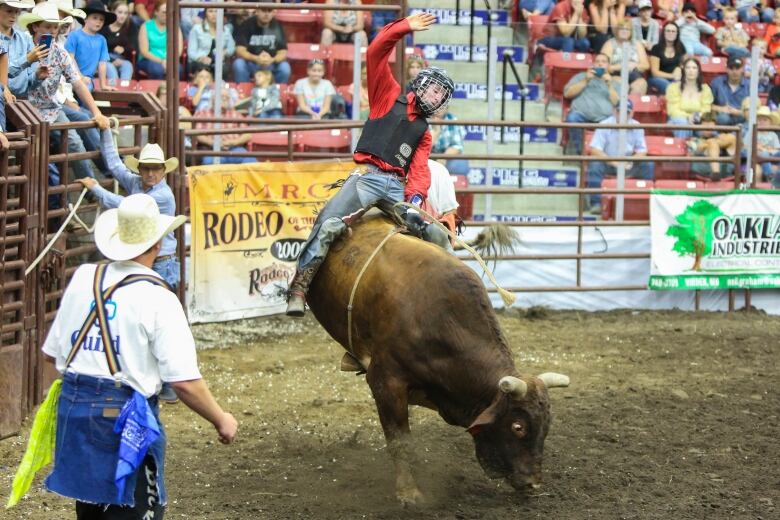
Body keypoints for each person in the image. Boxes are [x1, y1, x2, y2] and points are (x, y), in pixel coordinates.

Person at [41, 193, 238, 518]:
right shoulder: (158, 296)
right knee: (136, 508)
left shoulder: (84, 278)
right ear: (157, 245)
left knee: (91, 510)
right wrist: (221, 419)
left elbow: (52, 355)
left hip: (74, 412)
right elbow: (184, 382)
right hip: (124, 418)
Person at [286, 12, 454, 317]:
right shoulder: (387, 94)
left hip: (397, 190)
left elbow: (418, 171)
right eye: (434, 89)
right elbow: (376, 51)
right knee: (329, 222)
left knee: (436, 234)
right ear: (421, 84)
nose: (436, 97)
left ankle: (453, 286)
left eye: (441, 95)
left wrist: (415, 198)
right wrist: (404, 27)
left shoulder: (424, 134)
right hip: (368, 177)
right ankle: (299, 286)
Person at [76, 135, 183, 290]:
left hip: (161, 261)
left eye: (156, 168)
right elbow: (115, 165)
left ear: (164, 170)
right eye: (146, 168)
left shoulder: (163, 196)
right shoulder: (137, 182)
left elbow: (128, 205)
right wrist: (105, 131)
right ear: (139, 169)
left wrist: (95, 188)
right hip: (151, 258)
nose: (151, 174)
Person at [20, 2, 110, 181]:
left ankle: (91, 188)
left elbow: (77, 83)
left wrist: (97, 112)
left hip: (51, 107)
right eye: (48, 26)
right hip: (26, 109)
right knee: (45, 150)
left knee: (75, 141)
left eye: (55, 26)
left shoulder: (60, 52)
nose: (53, 30)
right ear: (35, 26)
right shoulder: (23, 47)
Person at [586, 100, 653, 214]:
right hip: (608, 163)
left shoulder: (637, 126)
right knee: (595, 164)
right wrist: (615, 162)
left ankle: (646, 202)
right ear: (614, 111)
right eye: (619, 111)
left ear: (631, 113)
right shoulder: (604, 124)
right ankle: (596, 203)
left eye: (626, 112)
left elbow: (642, 151)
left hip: (628, 164)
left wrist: (631, 160)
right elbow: (595, 150)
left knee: (648, 164)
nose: (622, 115)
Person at [563, 52, 619, 155]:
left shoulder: (614, 83)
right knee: (572, 118)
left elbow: (618, 104)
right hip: (581, 115)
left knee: (615, 123)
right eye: (597, 61)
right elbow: (567, 94)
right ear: (593, 64)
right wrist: (586, 80)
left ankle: (602, 155)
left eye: (603, 62)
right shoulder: (581, 77)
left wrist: (609, 86)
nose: (600, 64)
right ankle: (582, 154)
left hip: (604, 118)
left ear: (608, 66)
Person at [194, 86, 255, 165]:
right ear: (213, 99)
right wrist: (214, 143)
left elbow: (248, 134)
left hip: (234, 148)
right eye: (222, 97)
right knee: (210, 162)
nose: (225, 99)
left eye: (227, 97)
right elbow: (198, 134)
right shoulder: (202, 113)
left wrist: (234, 142)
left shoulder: (236, 114)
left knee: (250, 160)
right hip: (211, 149)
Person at [64, 1, 116, 90]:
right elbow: (70, 59)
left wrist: (103, 85)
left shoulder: (102, 40)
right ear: (85, 19)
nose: (98, 22)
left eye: (101, 19)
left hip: (87, 81)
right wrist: (80, 77)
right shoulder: (74, 35)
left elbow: (102, 64)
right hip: (69, 78)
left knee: (87, 88)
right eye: (94, 18)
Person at [233, 7, 290, 84]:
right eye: (263, 10)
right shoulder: (247, 24)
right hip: (251, 63)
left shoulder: (278, 26)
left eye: (269, 11)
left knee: (285, 68)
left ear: (273, 12)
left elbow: (283, 52)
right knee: (238, 64)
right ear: (257, 11)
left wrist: (272, 60)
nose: (266, 14)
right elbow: (240, 50)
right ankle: (244, 92)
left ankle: (276, 93)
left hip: (271, 63)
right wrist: (255, 58)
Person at [2, 0, 40, 100]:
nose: (14, 15)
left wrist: (38, 76)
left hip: (21, 100)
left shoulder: (25, 39)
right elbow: (2, 72)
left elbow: (31, 82)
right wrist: (27, 60)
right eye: (9, 11)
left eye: (17, 12)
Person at [666, 58, 713, 138]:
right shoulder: (673, 87)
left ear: (698, 71)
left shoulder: (705, 89)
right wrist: (688, 117)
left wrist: (694, 117)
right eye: (688, 68)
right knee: (683, 123)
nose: (691, 70)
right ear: (683, 70)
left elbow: (706, 109)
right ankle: (681, 148)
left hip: (698, 120)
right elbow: (672, 110)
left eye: (694, 68)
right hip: (677, 120)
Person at [137, 0, 183, 80]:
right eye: (164, 12)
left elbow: (178, 50)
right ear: (156, 12)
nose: (167, 15)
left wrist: (168, 61)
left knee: (178, 70)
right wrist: (161, 61)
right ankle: (157, 91)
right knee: (157, 70)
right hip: (149, 60)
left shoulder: (175, 27)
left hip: (169, 60)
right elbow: (144, 51)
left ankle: (174, 92)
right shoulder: (146, 26)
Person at [601, 19, 649, 95]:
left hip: (634, 73)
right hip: (615, 74)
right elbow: (603, 66)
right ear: (617, 31)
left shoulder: (637, 44)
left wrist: (635, 65)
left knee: (641, 84)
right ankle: (619, 106)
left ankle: (631, 105)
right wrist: (622, 66)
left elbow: (646, 65)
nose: (624, 31)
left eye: (627, 29)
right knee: (623, 85)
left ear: (631, 32)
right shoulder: (610, 44)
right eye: (621, 29)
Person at [685, 111, 737, 177]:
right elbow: (688, 158)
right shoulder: (694, 140)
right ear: (700, 126)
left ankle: (716, 173)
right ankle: (715, 172)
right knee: (710, 143)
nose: (708, 130)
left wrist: (708, 144)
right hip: (702, 170)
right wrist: (698, 150)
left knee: (731, 138)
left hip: (724, 171)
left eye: (710, 128)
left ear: (715, 126)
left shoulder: (722, 138)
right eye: (705, 128)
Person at [187, 6, 236, 75]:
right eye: (210, 11)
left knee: (223, 69)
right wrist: (201, 58)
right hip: (199, 62)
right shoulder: (196, 29)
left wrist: (225, 52)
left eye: (216, 11)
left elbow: (232, 48)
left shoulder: (225, 30)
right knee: (203, 68)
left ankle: (221, 85)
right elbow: (191, 52)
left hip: (218, 63)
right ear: (205, 14)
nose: (214, 14)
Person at [99, 0, 136, 81]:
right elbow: (99, 48)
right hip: (105, 59)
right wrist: (112, 60)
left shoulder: (130, 25)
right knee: (110, 68)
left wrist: (124, 49)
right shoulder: (104, 26)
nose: (123, 16)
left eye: (125, 13)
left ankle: (124, 90)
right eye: (120, 12)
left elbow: (134, 44)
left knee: (128, 66)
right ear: (113, 12)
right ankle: (115, 92)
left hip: (123, 58)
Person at [429, 106, 469, 176]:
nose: (439, 108)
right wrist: (436, 132)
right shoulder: (423, 119)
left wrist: (443, 158)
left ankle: (451, 185)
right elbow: (422, 148)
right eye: (437, 105)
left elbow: (457, 146)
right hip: (427, 157)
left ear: (447, 108)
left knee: (461, 164)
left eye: (443, 105)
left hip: (445, 157)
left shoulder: (452, 119)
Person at [711, 55, 749, 126]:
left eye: (737, 68)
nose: (734, 72)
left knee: (749, 120)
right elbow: (708, 105)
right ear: (727, 69)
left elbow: (755, 110)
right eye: (731, 68)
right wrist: (721, 109)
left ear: (742, 69)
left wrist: (738, 112)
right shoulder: (717, 82)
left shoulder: (749, 85)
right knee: (723, 118)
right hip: (723, 117)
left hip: (742, 116)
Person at [648, 21, 685, 94]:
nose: (670, 33)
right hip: (658, 78)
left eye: (673, 31)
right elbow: (655, 72)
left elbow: (685, 64)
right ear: (663, 33)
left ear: (677, 34)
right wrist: (672, 76)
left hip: (675, 78)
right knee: (670, 87)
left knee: (684, 85)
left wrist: (680, 68)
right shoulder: (656, 48)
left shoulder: (681, 47)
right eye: (668, 31)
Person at [754, 105, 780, 186]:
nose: (762, 122)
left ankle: (776, 175)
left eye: (765, 120)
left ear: (770, 122)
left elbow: (776, 149)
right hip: (758, 156)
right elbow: (747, 146)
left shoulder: (773, 135)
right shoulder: (753, 132)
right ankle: (770, 175)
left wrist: (767, 149)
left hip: (771, 156)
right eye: (759, 120)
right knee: (764, 153)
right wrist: (764, 149)